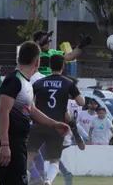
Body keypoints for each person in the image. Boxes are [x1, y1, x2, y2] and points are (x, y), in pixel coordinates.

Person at [0, 41, 70, 185]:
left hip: (19, 142)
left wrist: (55, 124)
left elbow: (32, 110)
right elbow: (3, 111)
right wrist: (4, 145)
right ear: (37, 61)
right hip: (10, 142)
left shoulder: (26, 82)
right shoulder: (14, 80)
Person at [27, 54, 85, 185]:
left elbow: (28, 102)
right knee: (54, 160)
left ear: (49, 66)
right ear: (63, 66)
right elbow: (81, 102)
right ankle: (48, 181)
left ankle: (23, 179)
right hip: (57, 126)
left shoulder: (38, 83)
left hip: (39, 124)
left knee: (29, 155)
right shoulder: (68, 83)